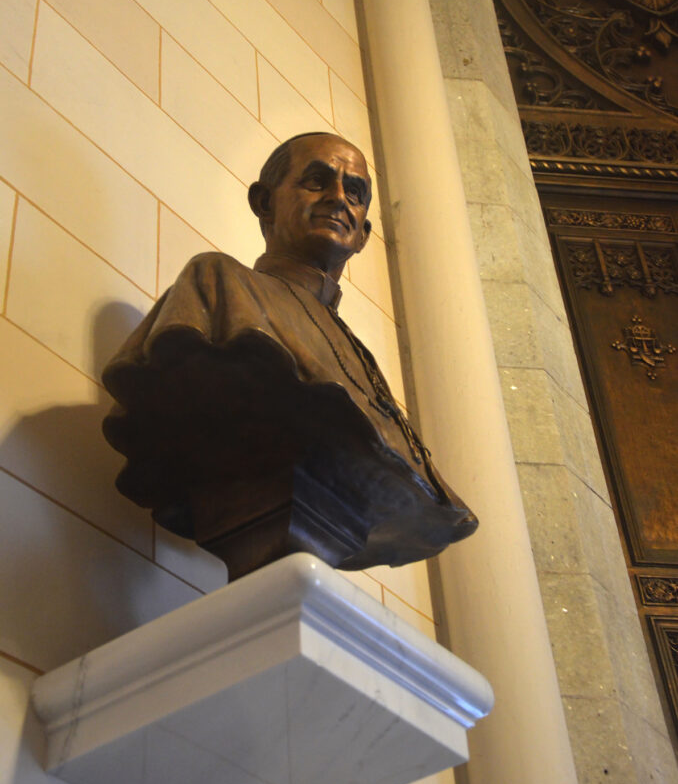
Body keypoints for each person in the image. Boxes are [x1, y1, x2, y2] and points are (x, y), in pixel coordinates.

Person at [103, 133, 477, 578]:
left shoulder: (362, 360)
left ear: (363, 234)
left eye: (354, 191)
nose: (338, 199)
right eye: (317, 181)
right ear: (264, 203)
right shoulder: (219, 283)